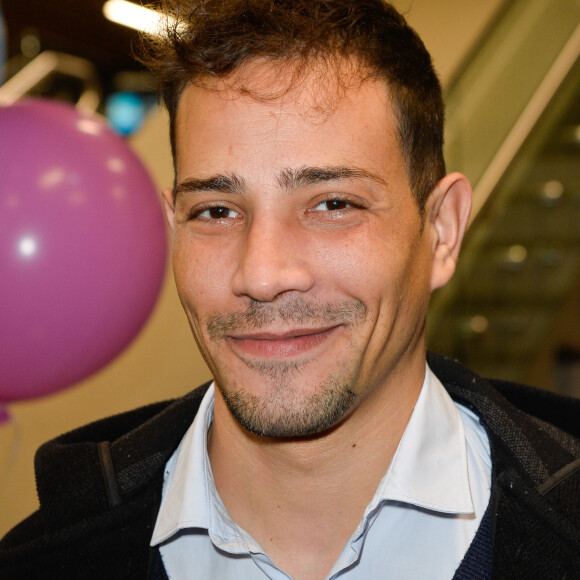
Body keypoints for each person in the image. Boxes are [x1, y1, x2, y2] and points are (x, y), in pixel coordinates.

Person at [1, 1, 578, 578]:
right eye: (217, 210)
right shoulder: (41, 559)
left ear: (442, 231)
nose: (262, 274)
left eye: (333, 204)